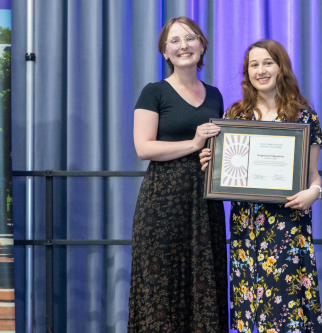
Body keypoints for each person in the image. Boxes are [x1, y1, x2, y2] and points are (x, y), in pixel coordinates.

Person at [200, 40, 322, 333]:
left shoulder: (305, 117)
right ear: (247, 73)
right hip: (247, 231)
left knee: (287, 314)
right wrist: (212, 162)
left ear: (282, 68)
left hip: (288, 226)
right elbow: (225, 169)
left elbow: (313, 176)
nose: (261, 70)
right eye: (254, 65)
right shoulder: (235, 116)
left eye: (268, 62)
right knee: (250, 311)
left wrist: (314, 193)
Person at [128, 17, 228, 333]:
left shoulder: (215, 95)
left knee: (204, 282)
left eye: (190, 38)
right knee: (163, 285)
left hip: (205, 204)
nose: (183, 46)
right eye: (174, 41)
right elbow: (143, 148)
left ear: (202, 45)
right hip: (163, 205)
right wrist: (194, 143)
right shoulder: (153, 92)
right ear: (165, 52)